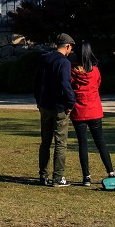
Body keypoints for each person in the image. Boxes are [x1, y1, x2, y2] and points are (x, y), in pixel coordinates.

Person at [70, 40, 115, 187]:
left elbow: (69, 86)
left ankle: (86, 176)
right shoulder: (95, 71)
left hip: (79, 110)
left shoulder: (73, 71)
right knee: (100, 141)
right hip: (94, 109)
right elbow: (97, 84)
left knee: (82, 143)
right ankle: (110, 171)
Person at [33, 33, 77, 187]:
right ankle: (58, 177)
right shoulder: (64, 63)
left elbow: (37, 82)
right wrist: (71, 103)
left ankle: (42, 175)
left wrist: (38, 100)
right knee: (60, 143)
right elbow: (66, 85)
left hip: (45, 105)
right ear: (67, 46)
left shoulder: (44, 59)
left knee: (45, 141)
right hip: (59, 107)